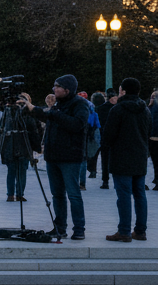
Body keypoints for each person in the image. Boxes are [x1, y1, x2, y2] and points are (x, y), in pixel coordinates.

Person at [21, 73, 91, 240]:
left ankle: (79, 229)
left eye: (57, 86)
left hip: (70, 157)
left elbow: (77, 125)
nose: (54, 89)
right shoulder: (58, 105)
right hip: (53, 157)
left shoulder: (80, 105)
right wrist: (30, 109)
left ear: (67, 90)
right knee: (57, 194)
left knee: (73, 194)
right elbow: (45, 114)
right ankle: (60, 227)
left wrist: (53, 114)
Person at [102, 77, 151, 242]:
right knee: (140, 194)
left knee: (123, 195)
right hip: (140, 157)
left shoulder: (118, 109)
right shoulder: (145, 110)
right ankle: (140, 231)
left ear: (123, 91)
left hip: (121, 158)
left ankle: (123, 231)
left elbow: (108, 136)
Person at [98, 88, 118, 188]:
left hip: (104, 137)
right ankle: (114, 180)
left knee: (105, 160)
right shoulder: (118, 109)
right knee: (115, 160)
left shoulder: (101, 109)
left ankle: (105, 180)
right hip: (116, 138)